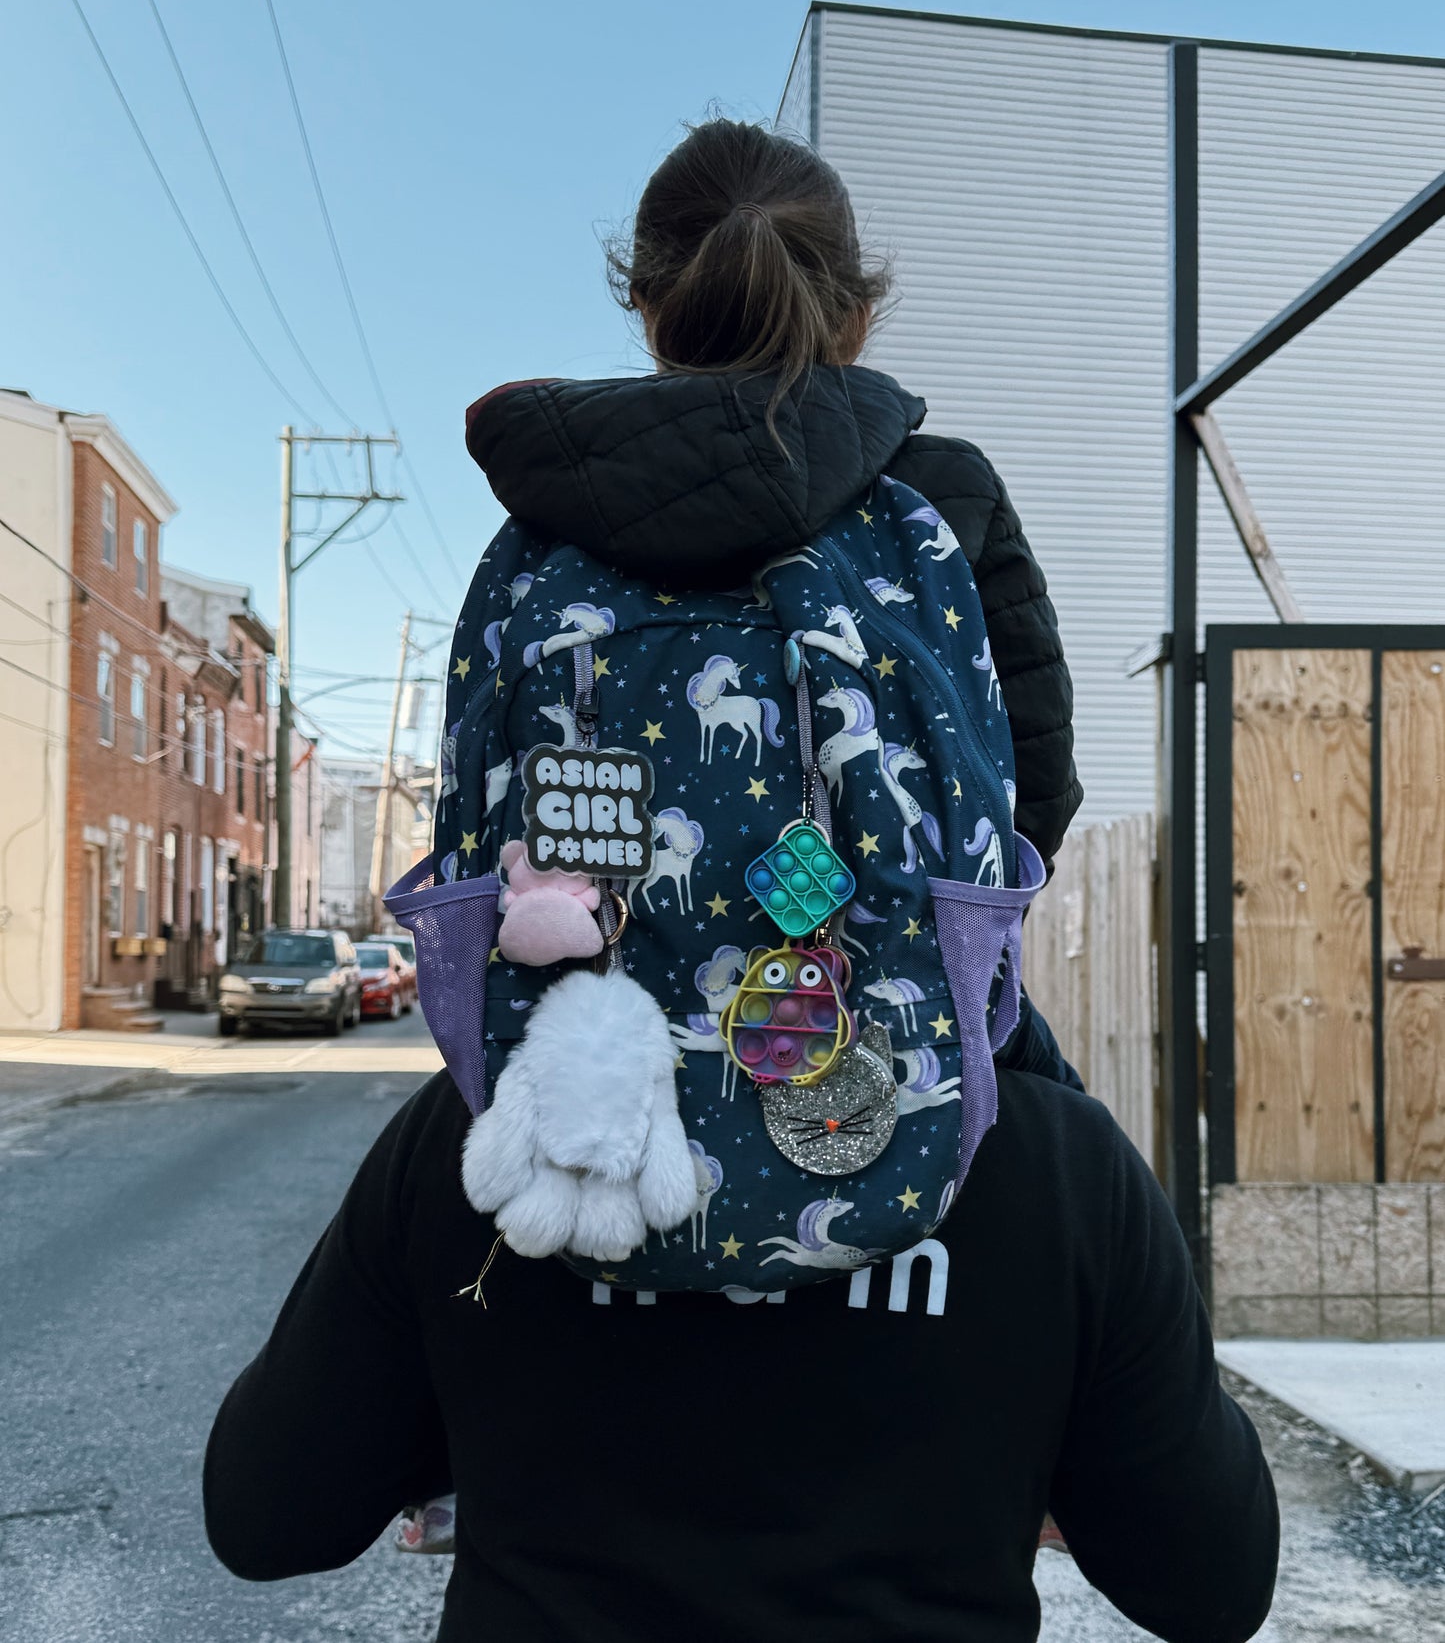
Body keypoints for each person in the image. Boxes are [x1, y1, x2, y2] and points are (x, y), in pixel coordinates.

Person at [204, 119, 1278, 1642]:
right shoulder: (1049, 1183)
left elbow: (261, 1520)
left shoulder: (482, 1167)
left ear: (647, 306)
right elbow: (1213, 1587)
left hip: (579, 1087)